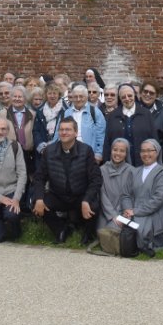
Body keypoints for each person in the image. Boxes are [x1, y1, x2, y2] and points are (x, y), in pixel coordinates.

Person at [33, 117, 102, 245]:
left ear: (76, 133)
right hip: (59, 196)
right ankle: (61, 230)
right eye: (61, 130)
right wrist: (39, 198)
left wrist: (86, 200)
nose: (64, 132)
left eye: (68, 130)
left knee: (94, 206)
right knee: (38, 203)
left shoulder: (86, 150)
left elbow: (96, 179)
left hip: (80, 196)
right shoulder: (49, 151)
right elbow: (39, 177)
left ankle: (88, 234)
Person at [128, 139, 163, 253]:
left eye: (149, 151)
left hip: (155, 212)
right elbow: (126, 194)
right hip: (134, 210)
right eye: (143, 151)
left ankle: (150, 245)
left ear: (157, 152)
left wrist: (136, 212)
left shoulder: (162, 174)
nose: (146, 154)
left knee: (139, 230)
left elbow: (158, 200)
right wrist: (127, 209)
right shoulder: (135, 171)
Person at [104, 83, 158, 166]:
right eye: (123, 97)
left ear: (134, 95)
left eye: (130, 96)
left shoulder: (146, 114)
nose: (127, 99)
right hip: (120, 163)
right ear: (120, 99)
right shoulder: (112, 116)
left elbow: (154, 139)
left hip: (143, 161)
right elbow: (108, 142)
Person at [58, 83, 106, 162]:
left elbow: (101, 134)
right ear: (72, 98)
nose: (78, 99)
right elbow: (58, 133)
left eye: (81, 96)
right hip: (68, 152)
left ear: (86, 97)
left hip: (88, 153)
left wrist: (98, 153)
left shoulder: (95, 112)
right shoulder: (66, 113)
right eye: (75, 96)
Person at [99, 138, 134, 229]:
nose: (118, 153)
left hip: (124, 211)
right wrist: (113, 215)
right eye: (115, 150)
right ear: (111, 151)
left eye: (122, 151)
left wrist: (123, 214)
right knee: (102, 231)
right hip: (106, 211)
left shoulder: (132, 171)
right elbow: (102, 195)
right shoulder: (102, 170)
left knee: (117, 230)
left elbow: (131, 196)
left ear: (127, 153)